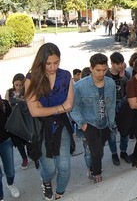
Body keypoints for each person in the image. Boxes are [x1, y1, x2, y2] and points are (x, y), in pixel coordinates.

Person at [24, 42, 75, 200]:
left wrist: (45, 108)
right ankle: (46, 181)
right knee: (50, 168)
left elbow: (70, 105)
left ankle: (59, 193)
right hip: (41, 128)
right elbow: (34, 111)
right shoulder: (31, 78)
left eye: (56, 62)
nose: (53, 67)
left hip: (61, 126)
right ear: (41, 61)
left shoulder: (66, 76)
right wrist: (60, 107)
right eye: (48, 63)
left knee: (64, 167)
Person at [71, 53, 116, 183]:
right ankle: (95, 173)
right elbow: (73, 108)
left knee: (100, 151)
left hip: (105, 123)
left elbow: (112, 104)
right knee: (96, 152)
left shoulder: (111, 83)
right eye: (98, 70)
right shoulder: (80, 86)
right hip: (89, 123)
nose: (101, 73)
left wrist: (111, 122)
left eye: (104, 70)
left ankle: (92, 167)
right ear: (91, 68)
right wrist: (83, 124)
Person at [105, 52, 131, 166]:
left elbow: (130, 89)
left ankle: (123, 151)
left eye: (122, 63)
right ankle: (114, 153)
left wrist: (123, 78)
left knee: (124, 132)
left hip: (123, 107)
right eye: (118, 64)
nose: (121, 66)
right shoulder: (105, 75)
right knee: (112, 134)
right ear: (112, 63)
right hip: (110, 108)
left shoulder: (126, 74)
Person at [5, 73, 29, 170]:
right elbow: (6, 106)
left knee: (29, 140)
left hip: (25, 120)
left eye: (20, 85)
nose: (18, 87)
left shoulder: (27, 92)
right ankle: (24, 158)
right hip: (15, 121)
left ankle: (33, 156)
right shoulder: (9, 92)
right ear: (13, 84)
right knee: (18, 142)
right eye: (16, 85)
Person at [0, 95, 20, 200]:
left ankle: (10, 184)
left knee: (10, 171)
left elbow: (12, 120)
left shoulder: (4, 104)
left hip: (5, 141)